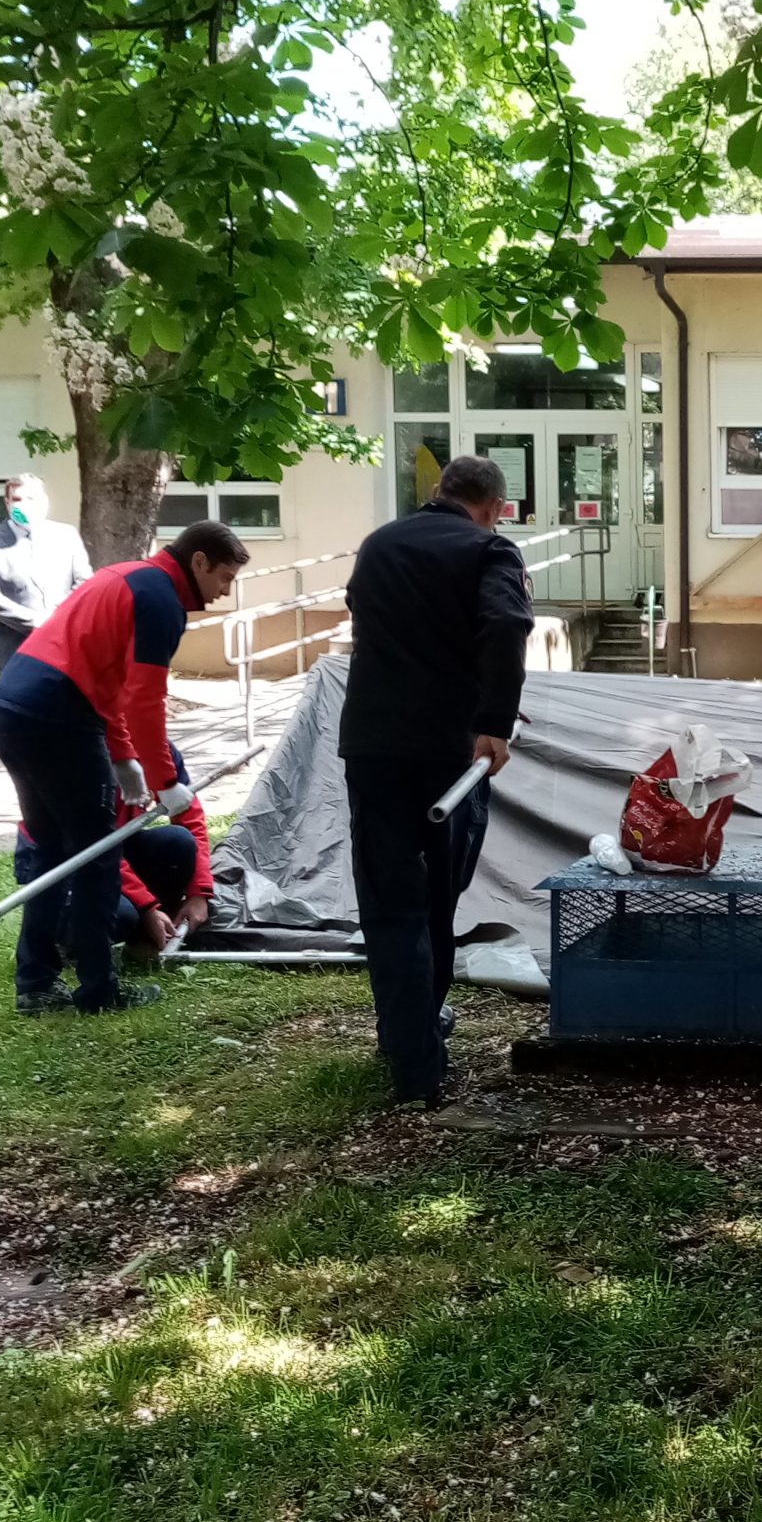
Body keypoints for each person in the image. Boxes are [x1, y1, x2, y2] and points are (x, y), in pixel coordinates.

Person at [0, 520, 247, 1014]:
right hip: (58, 717)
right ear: (199, 563)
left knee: (55, 854)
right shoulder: (161, 601)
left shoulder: (126, 576)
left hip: (11, 710)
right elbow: (145, 698)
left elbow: (110, 688)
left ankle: (36, 985)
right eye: (223, 579)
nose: (222, 593)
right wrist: (165, 781)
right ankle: (97, 992)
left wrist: (126, 760)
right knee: (94, 858)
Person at [339, 455, 534, 1106]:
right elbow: (506, 623)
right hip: (449, 754)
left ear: (438, 492)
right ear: (495, 506)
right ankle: (420, 1045)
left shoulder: (378, 545)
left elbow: (364, 618)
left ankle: (409, 1046)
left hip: (373, 745)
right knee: (437, 902)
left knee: (391, 905)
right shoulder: (489, 550)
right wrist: (494, 723)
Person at [10, 741, 213, 1007]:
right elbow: (94, 845)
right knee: (120, 914)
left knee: (178, 841)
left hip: (114, 842)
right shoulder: (87, 755)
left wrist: (199, 892)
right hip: (70, 851)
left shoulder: (158, 747)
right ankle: (69, 945)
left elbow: (189, 816)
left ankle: (147, 939)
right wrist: (147, 906)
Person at [0, 473, 95, 666]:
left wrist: (57, 617)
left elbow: (84, 582)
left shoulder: (66, 535)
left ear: (44, 501)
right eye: (17, 499)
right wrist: (35, 621)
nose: (23, 504)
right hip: (15, 647)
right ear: (7, 502)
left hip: (64, 641)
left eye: (31, 498)